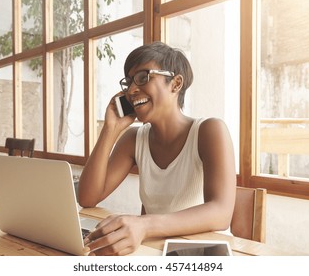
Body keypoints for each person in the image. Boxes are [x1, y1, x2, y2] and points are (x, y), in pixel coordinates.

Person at [78, 41, 236, 256]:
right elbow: (87, 198)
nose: (132, 90)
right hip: (158, 252)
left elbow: (220, 213)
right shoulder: (134, 138)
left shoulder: (210, 130)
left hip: (208, 254)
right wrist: (110, 130)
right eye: (129, 82)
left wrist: (143, 225)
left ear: (176, 84)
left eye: (143, 77)